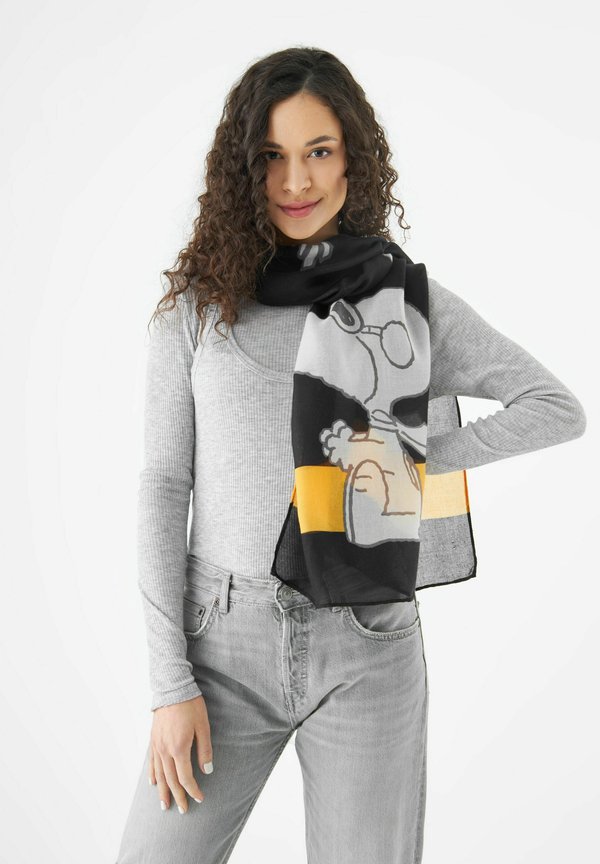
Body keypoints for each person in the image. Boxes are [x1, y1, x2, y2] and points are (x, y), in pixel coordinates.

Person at [115, 47, 586, 864]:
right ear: (243, 169)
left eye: (319, 151)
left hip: (369, 642)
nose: (296, 181)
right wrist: (169, 683)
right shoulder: (198, 307)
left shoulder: (404, 301)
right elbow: (163, 486)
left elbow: (556, 409)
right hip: (222, 644)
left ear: (352, 159)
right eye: (272, 156)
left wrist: (405, 458)